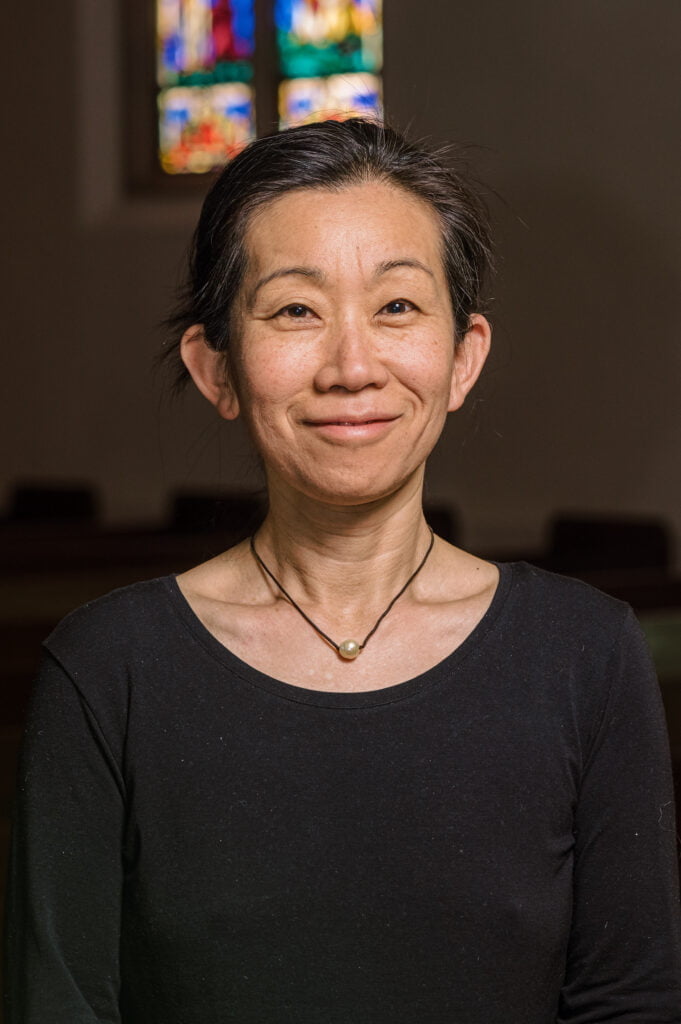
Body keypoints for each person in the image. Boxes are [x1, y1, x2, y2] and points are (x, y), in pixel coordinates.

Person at [4, 119, 680, 1023]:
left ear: (461, 357)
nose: (352, 366)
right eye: (294, 311)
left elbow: (629, 1001)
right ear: (217, 369)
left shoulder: (585, 654)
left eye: (397, 307)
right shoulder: (109, 671)